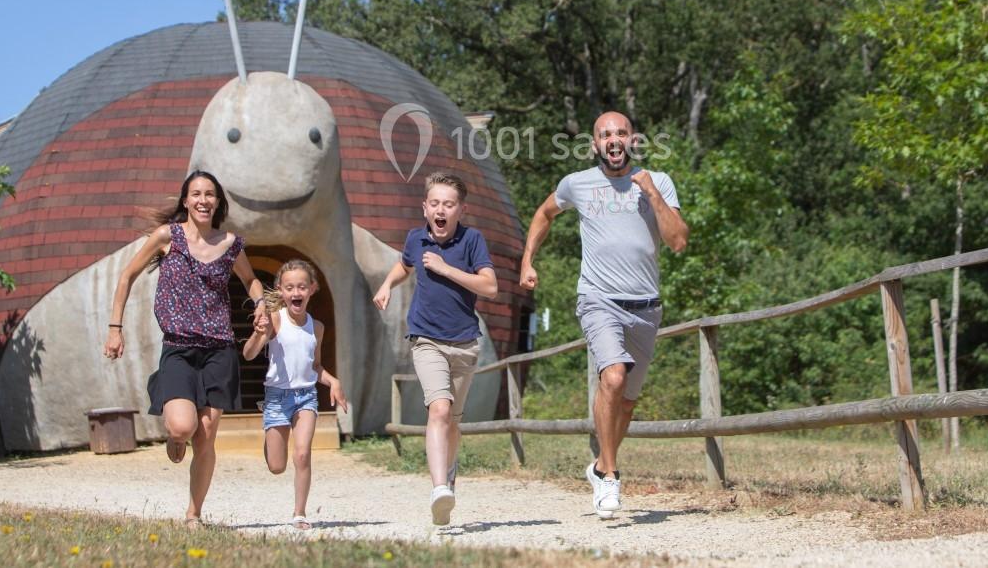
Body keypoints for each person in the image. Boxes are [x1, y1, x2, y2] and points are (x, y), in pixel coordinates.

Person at [519, 111, 688, 519]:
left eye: (620, 133)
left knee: (626, 404)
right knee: (612, 376)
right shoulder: (576, 184)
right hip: (598, 300)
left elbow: (679, 241)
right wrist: (527, 260)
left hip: (646, 306)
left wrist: (652, 194)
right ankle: (610, 476)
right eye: (605, 135)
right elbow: (544, 214)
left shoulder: (658, 181)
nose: (613, 140)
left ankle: (597, 466)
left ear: (633, 140)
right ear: (595, 145)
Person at [103, 169, 264, 526]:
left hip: (219, 349)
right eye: (196, 194)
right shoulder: (167, 237)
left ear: (218, 202)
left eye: (210, 194)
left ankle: (194, 515)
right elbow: (127, 275)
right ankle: (174, 425)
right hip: (178, 347)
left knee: (206, 437)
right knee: (181, 428)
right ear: (185, 201)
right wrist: (115, 328)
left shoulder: (231, 243)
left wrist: (261, 304)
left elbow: (250, 280)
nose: (203, 200)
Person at [372, 171, 497, 526]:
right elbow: (403, 265)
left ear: (461, 210)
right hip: (426, 339)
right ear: (425, 207)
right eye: (435, 203)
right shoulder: (415, 239)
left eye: (449, 204)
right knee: (439, 410)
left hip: (465, 344)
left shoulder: (472, 241)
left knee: (453, 421)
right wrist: (387, 285)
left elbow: (490, 288)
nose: (441, 210)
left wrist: (445, 269)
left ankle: (449, 471)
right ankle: (439, 488)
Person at [242, 259, 346, 530]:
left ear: (312, 289)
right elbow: (249, 354)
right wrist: (258, 335)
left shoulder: (317, 328)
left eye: (302, 287)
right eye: (290, 288)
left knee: (302, 455)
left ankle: (300, 513)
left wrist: (332, 381)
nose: (296, 293)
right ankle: (270, 436)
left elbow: (316, 366)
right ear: (281, 290)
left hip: (305, 397)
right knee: (277, 466)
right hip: (276, 397)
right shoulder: (275, 321)